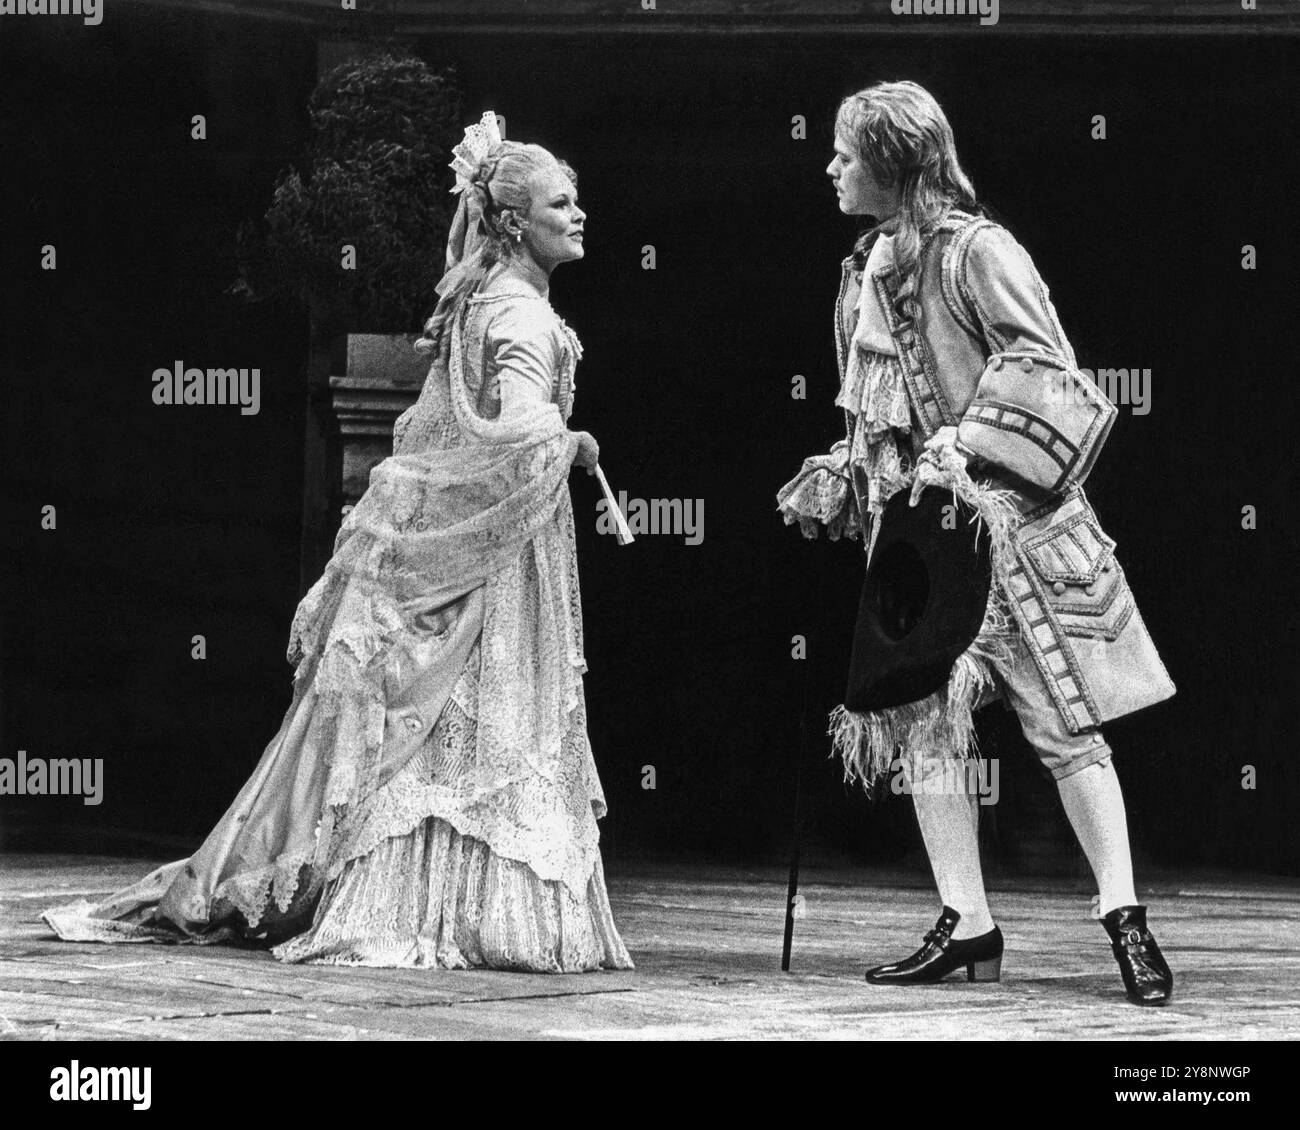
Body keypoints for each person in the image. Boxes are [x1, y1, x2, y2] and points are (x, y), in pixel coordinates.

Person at [43, 112, 633, 974]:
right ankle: (448, 909)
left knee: (439, 724)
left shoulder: (481, 300)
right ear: (512, 222)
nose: (579, 215)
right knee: (467, 721)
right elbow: (514, 424)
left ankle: (432, 893)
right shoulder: (520, 317)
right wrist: (568, 443)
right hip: (493, 553)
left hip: (475, 543)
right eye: (560, 203)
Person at [777, 82, 1175, 1005]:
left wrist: (967, 441)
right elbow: (879, 406)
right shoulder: (863, 268)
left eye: (846, 154)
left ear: (895, 161)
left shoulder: (977, 251)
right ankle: (968, 924)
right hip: (917, 540)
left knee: (1066, 726)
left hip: (1010, 531)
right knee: (927, 729)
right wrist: (847, 468)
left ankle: (1124, 915)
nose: (831, 168)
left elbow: (1047, 368)